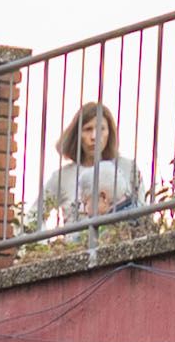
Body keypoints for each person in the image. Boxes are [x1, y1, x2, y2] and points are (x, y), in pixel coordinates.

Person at [28, 98, 149, 238]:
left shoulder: (128, 168)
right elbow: (33, 217)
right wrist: (44, 247)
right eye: (87, 129)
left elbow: (143, 215)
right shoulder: (63, 177)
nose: (94, 136)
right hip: (77, 252)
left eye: (100, 129)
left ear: (109, 132)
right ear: (77, 134)